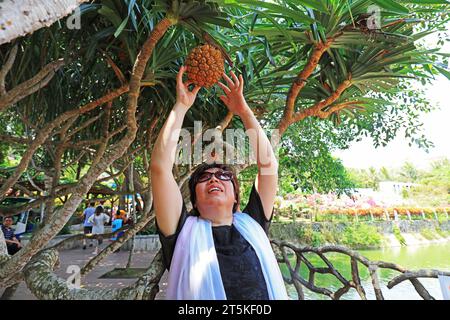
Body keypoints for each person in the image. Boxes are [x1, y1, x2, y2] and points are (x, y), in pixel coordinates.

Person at [150, 66, 288, 300]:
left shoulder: (253, 222)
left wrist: (243, 111)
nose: (214, 178)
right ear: (194, 199)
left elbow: (268, 166)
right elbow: (160, 169)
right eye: (203, 178)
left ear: (236, 196)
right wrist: (181, 106)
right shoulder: (182, 229)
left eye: (224, 176)